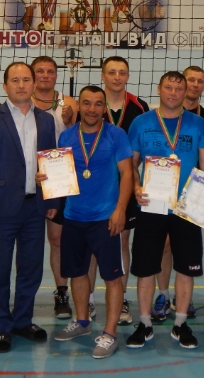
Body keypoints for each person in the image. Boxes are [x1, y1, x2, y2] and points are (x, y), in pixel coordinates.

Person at [126, 71, 204, 350]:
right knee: (145, 268)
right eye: (169, 87)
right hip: (151, 205)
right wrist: (136, 187)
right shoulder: (141, 122)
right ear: (159, 89)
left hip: (187, 207)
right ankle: (144, 323)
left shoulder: (198, 123)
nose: (174, 93)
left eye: (179, 89)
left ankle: (180, 323)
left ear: (185, 92)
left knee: (185, 268)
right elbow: (131, 164)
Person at [0, 62, 58, 353]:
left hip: (34, 208)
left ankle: (23, 320)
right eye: (15, 80)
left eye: (26, 80)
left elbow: (51, 161)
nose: (21, 85)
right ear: (5, 85)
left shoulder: (46, 120)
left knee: (31, 269)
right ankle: (1, 327)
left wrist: (51, 199)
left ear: (34, 84)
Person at [51, 85, 134, 359]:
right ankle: (83, 321)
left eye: (98, 104)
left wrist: (120, 210)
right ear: (79, 106)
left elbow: (127, 174)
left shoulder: (116, 135)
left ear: (103, 108)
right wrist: (45, 179)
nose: (92, 109)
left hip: (105, 218)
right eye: (86, 103)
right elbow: (59, 173)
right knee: (78, 273)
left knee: (112, 277)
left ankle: (109, 333)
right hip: (74, 216)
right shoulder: (66, 136)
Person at [153, 65, 204, 321]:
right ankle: (163, 295)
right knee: (163, 245)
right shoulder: (154, 119)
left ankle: (183, 299)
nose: (194, 85)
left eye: (200, 81)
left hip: (194, 196)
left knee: (185, 252)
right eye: (190, 80)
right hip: (160, 192)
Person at [88, 56, 149, 324]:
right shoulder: (91, 105)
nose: (117, 77)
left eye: (122, 72)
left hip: (126, 183)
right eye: (111, 72)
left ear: (127, 76)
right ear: (103, 76)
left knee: (122, 241)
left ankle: (121, 299)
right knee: (91, 244)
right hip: (94, 186)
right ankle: (88, 298)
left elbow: (144, 147)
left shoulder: (139, 107)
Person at [30, 55, 78, 319]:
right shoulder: (23, 100)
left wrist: (71, 120)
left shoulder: (67, 102)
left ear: (56, 75)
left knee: (60, 238)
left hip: (59, 176)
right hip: (30, 176)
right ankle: (28, 295)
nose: (45, 75)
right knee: (32, 239)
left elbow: (79, 136)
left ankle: (65, 293)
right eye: (40, 71)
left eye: (50, 71)